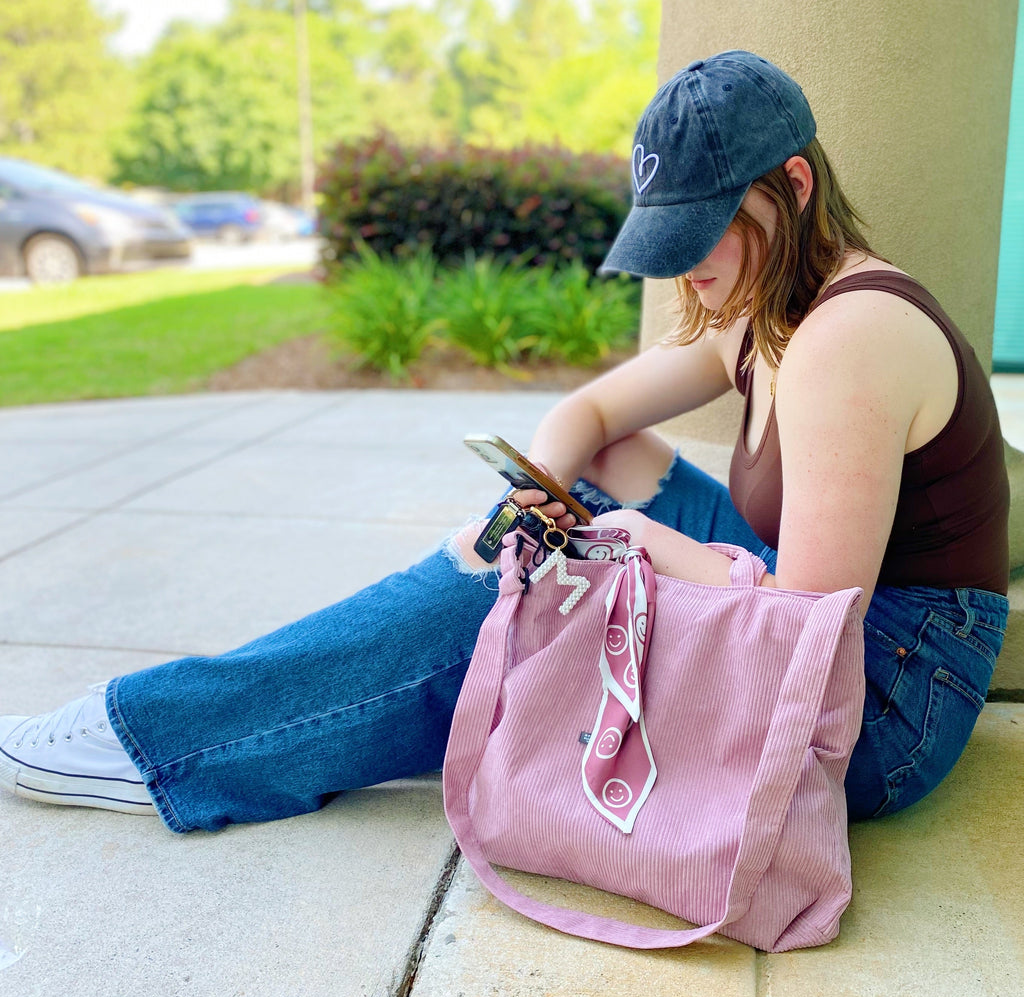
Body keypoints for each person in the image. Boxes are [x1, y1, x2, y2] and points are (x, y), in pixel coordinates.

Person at [0, 50, 1009, 830]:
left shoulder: (850, 336)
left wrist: (622, 545)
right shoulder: (770, 308)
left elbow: (803, 626)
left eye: (703, 232)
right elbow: (593, 417)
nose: (685, 270)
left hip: (888, 701)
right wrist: (543, 494)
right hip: (823, 606)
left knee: (529, 590)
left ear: (790, 185)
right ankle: (335, 663)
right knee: (570, 508)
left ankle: (169, 737)